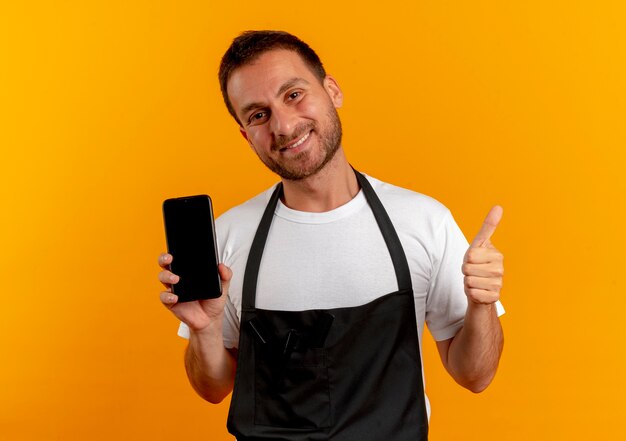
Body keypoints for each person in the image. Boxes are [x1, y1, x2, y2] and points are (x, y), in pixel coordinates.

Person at [158, 30, 505, 440]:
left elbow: (475, 376)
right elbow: (213, 388)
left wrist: (482, 305)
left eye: (293, 95)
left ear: (332, 91)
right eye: (258, 114)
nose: (284, 125)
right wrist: (205, 332)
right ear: (245, 135)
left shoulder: (422, 221)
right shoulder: (230, 237)